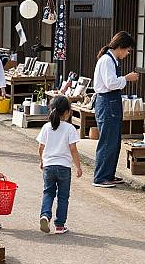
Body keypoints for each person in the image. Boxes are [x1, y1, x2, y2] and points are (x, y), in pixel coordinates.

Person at [93, 31, 139, 188]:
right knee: (107, 141)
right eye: (127, 50)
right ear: (120, 47)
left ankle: (108, 175)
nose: (127, 53)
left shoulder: (111, 60)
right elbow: (110, 83)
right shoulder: (107, 60)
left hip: (110, 102)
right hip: (107, 102)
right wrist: (126, 78)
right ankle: (100, 177)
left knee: (113, 141)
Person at [37, 96, 82, 235]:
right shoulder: (70, 128)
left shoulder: (46, 127)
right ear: (67, 112)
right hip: (64, 167)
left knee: (48, 192)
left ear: (51, 109)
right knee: (63, 197)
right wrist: (78, 167)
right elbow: (73, 149)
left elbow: (40, 147)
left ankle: (45, 215)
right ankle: (60, 225)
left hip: (49, 166)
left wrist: (42, 161)